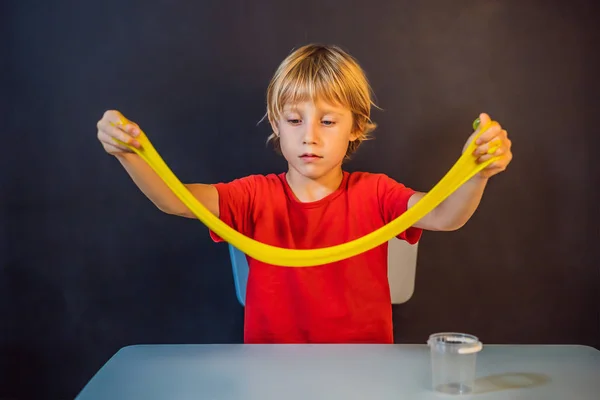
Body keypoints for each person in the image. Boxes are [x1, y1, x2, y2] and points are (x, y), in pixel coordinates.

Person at [96, 44, 512, 344]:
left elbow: (444, 215)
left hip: (364, 371)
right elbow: (175, 199)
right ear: (277, 125)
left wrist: (479, 172)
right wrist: (129, 153)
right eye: (294, 119)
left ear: (355, 128)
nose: (309, 136)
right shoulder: (254, 195)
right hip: (271, 372)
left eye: (328, 121)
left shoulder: (375, 192)